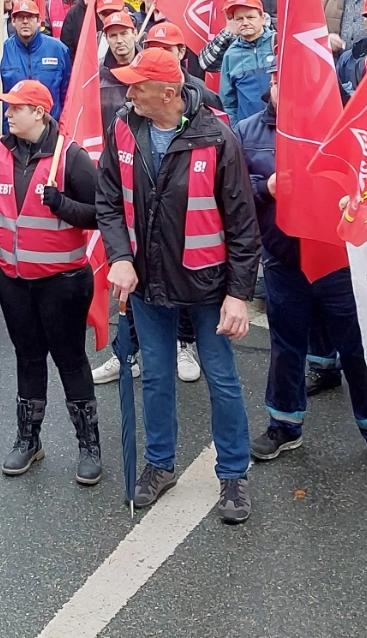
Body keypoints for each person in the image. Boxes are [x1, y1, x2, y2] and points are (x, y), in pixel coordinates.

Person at [97, 46, 260, 526]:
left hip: (206, 284)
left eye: (137, 87)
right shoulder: (124, 128)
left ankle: (233, 475)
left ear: (169, 93)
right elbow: (108, 200)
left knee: (223, 380)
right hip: (146, 281)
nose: (128, 94)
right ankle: (160, 465)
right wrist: (120, 257)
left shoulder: (217, 139)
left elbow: (243, 226)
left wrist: (239, 294)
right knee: (158, 376)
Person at [0, 77, 105, 486]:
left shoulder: (72, 158)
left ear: (39, 113)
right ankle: (29, 440)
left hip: (62, 282)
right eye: (7, 107)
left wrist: (61, 204)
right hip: (13, 280)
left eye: (15, 108)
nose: (7, 114)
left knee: (70, 361)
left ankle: (89, 445)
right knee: (27, 359)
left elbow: (101, 214)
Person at [236, 73, 367, 463]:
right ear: (271, 84)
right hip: (284, 260)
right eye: (281, 80)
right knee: (286, 346)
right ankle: (284, 425)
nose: (290, 88)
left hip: (340, 260)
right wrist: (267, 187)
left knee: (357, 349)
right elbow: (229, 186)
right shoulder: (247, 131)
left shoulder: (347, 125)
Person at [0, 0, 70, 140]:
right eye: (20, 17)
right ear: (13, 22)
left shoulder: (59, 50)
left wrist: (64, 130)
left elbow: (68, 94)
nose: (25, 21)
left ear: (39, 21)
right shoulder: (1, 53)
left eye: (30, 17)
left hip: (50, 134)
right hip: (13, 134)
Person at [203, 0, 274, 123]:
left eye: (251, 17)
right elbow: (228, 102)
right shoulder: (231, 55)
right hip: (248, 133)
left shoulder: (278, 45)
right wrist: (236, 131)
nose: (245, 22)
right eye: (239, 19)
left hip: (282, 128)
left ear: (262, 19)